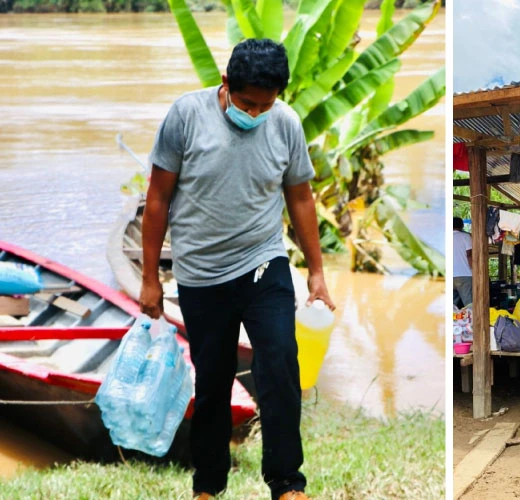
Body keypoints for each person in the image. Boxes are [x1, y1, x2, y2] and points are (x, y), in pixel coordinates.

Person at [141, 39, 334, 500]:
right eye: (248, 103)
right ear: (226, 83)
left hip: (263, 263)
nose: (257, 112)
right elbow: (157, 199)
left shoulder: (284, 123)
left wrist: (316, 272)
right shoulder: (185, 117)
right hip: (202, 275)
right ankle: (208, 485)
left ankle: (287, 483)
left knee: (282, 366)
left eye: (266, 104)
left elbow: (301, 197)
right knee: (212, 382)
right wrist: (150, 278)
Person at [452, 217, 473, 307]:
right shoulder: (466, 236)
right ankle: (472, 320)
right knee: (469, 304)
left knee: (451, 305)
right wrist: (473, 270)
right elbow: (469, 255)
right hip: (464, 274)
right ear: (462, 225)